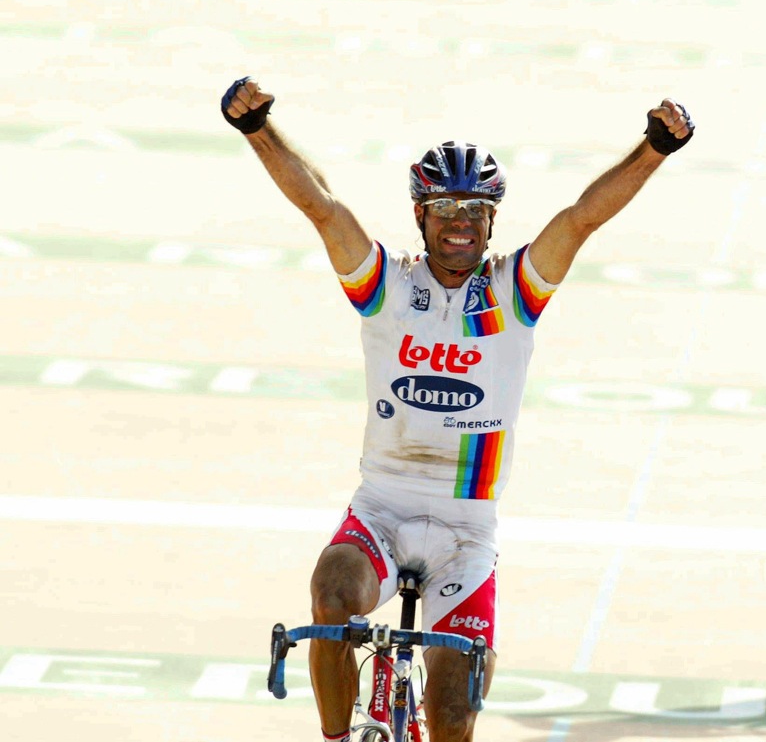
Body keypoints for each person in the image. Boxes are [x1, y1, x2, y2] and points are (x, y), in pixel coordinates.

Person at [221, 76, 693, 741]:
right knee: (330, 594)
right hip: (381, 509)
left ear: (492, 219)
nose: (461, 223)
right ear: (422, 216)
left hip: (466, 535)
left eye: (475, 210)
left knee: (449, 720)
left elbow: (582, 216)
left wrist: (655, 148)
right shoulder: (386, 284)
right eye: (445, 208)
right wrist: (257, 129)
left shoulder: (514, 291)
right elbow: (324, 208)